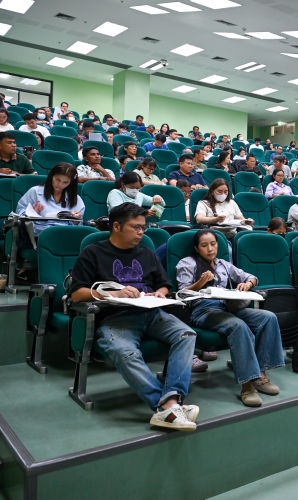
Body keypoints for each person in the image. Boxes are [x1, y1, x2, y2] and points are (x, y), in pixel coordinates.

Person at [68, 203, 199, 430]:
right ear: (117, 226)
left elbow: (164, 284)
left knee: (186, 334)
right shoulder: (93, 252)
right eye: (135, 227)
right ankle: (166, 406)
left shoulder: (146, 253)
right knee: (124, 351)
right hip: (115, 317)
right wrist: (113, 293)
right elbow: (77, 294)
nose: (141, 232)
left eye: (143, 228)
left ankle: (171, 400)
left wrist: (160, 293)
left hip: (151, 313)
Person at [176, 229, 282, 405]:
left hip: (227, 306)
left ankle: (260, 376)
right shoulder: (187, 263)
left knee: (268, 317)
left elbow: (252, 277)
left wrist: (247, 284)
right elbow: (182, 293)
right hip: (203, 310)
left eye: (213, 244)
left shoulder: (223, 264)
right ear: (196, 248)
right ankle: (247, 385)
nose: (210, 249)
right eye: (204, 245)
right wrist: (201, 282)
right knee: (238, 326)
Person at [16, 162, 84, 236]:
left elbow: (78, 229)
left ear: (71, 182)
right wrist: (33, 213)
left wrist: (76, 221)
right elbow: (20, 215)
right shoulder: (35, 192)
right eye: (57, 179)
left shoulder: (76, 199)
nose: (60, 184)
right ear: (51, 176)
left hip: (66, 236)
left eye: (65, 182)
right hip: (39, 236)